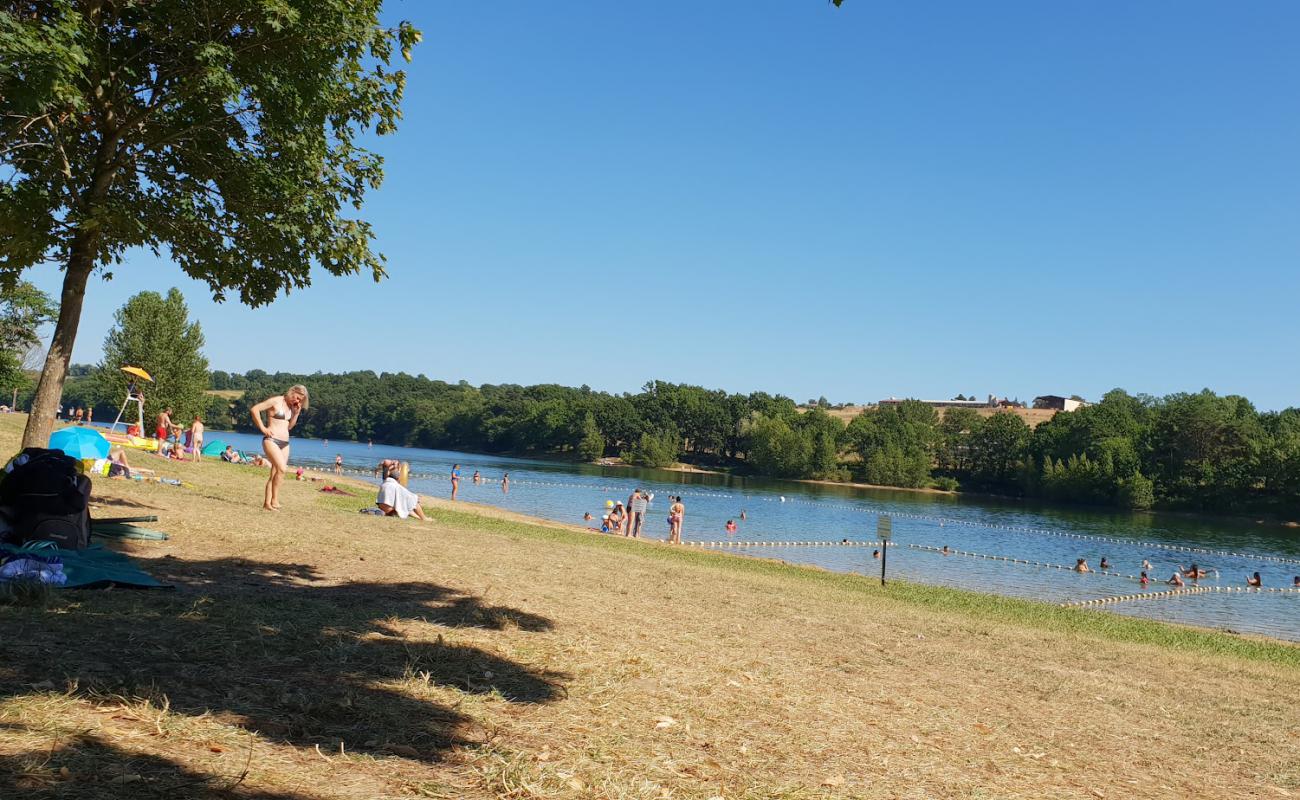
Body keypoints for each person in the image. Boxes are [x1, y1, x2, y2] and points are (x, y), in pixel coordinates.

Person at [251, 384, 309, 511]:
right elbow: (255, 409)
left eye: (300, 400)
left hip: (285, 443)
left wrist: (296, 414)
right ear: (292, 391)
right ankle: (275, 500)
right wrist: (262, 428)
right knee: (282, 469)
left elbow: (289, 426)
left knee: (275, 473)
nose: (297, 401)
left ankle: (267, 503)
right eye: (297, 397)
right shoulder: (275, 401)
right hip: (271, 440)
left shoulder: (291, 407)